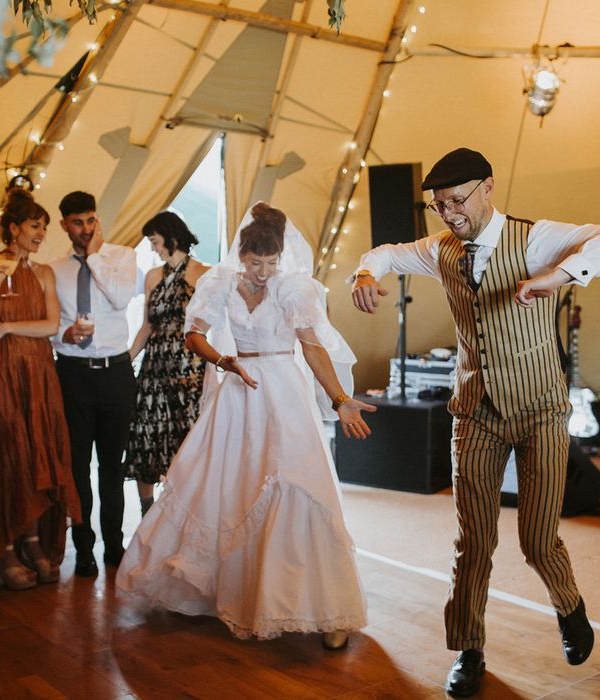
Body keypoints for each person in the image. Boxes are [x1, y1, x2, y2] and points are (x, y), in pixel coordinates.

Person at [351, 148, 600, 697]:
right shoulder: (439, 249)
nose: (449, 213)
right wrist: (365, 271)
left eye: (457, 200)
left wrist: (560, 275)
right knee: (473, 540)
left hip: (539, 411)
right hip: (476, 413)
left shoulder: (536, 238)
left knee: (537, 541)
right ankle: (468, 649)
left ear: (488, 186)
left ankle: (570, 605)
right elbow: (387, 252)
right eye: (439, 206)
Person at [117, 202, 374, 650]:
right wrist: (222, 361)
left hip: (284, 395)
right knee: (229, 488)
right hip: (239, 388)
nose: (263, 272)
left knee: (296, 488)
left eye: (271, 263)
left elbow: (312, 349)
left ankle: (325, 606)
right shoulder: (219, 282)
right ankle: (233, 592)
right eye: (256, 263)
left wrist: (338, 398)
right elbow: (192, 334)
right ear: (242, 256)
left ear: (281, 257)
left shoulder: (293, 289)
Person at [0, 188, 81, 590]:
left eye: (43, 227)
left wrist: (9, 328)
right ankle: (3, 548)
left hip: (39, 373)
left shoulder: (43, 273)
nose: (40, 234)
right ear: (14, 228)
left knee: (39, 452)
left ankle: (34, 542)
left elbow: (51, 325)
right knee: (7, 455)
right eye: (34, 227)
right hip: (3, 374)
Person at [49, 191, 138, 578]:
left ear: (97, 220)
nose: (84, 229)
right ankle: (83, 549)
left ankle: (114, 546)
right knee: (78, 466)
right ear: (64, 225)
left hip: (116, 373)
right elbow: (51, 324)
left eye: (89, 221)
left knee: (112, 468)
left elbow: (119, 300)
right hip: (73, 374)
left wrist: (96, 255)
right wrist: (62, 337)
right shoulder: (53, 270)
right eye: (76, 222)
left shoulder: (122, 257)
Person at [125, 211, 210, 517]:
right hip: (154, 368)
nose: (152, 248)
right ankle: (148, 512)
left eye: (154, 240)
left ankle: (185, 512)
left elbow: (210, 325)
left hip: (188, 368)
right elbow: (147, 326)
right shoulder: (152, 277)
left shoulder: (204, 274)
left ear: (171, 236)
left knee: (186, 440)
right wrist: (127, 360)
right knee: (146, 436)